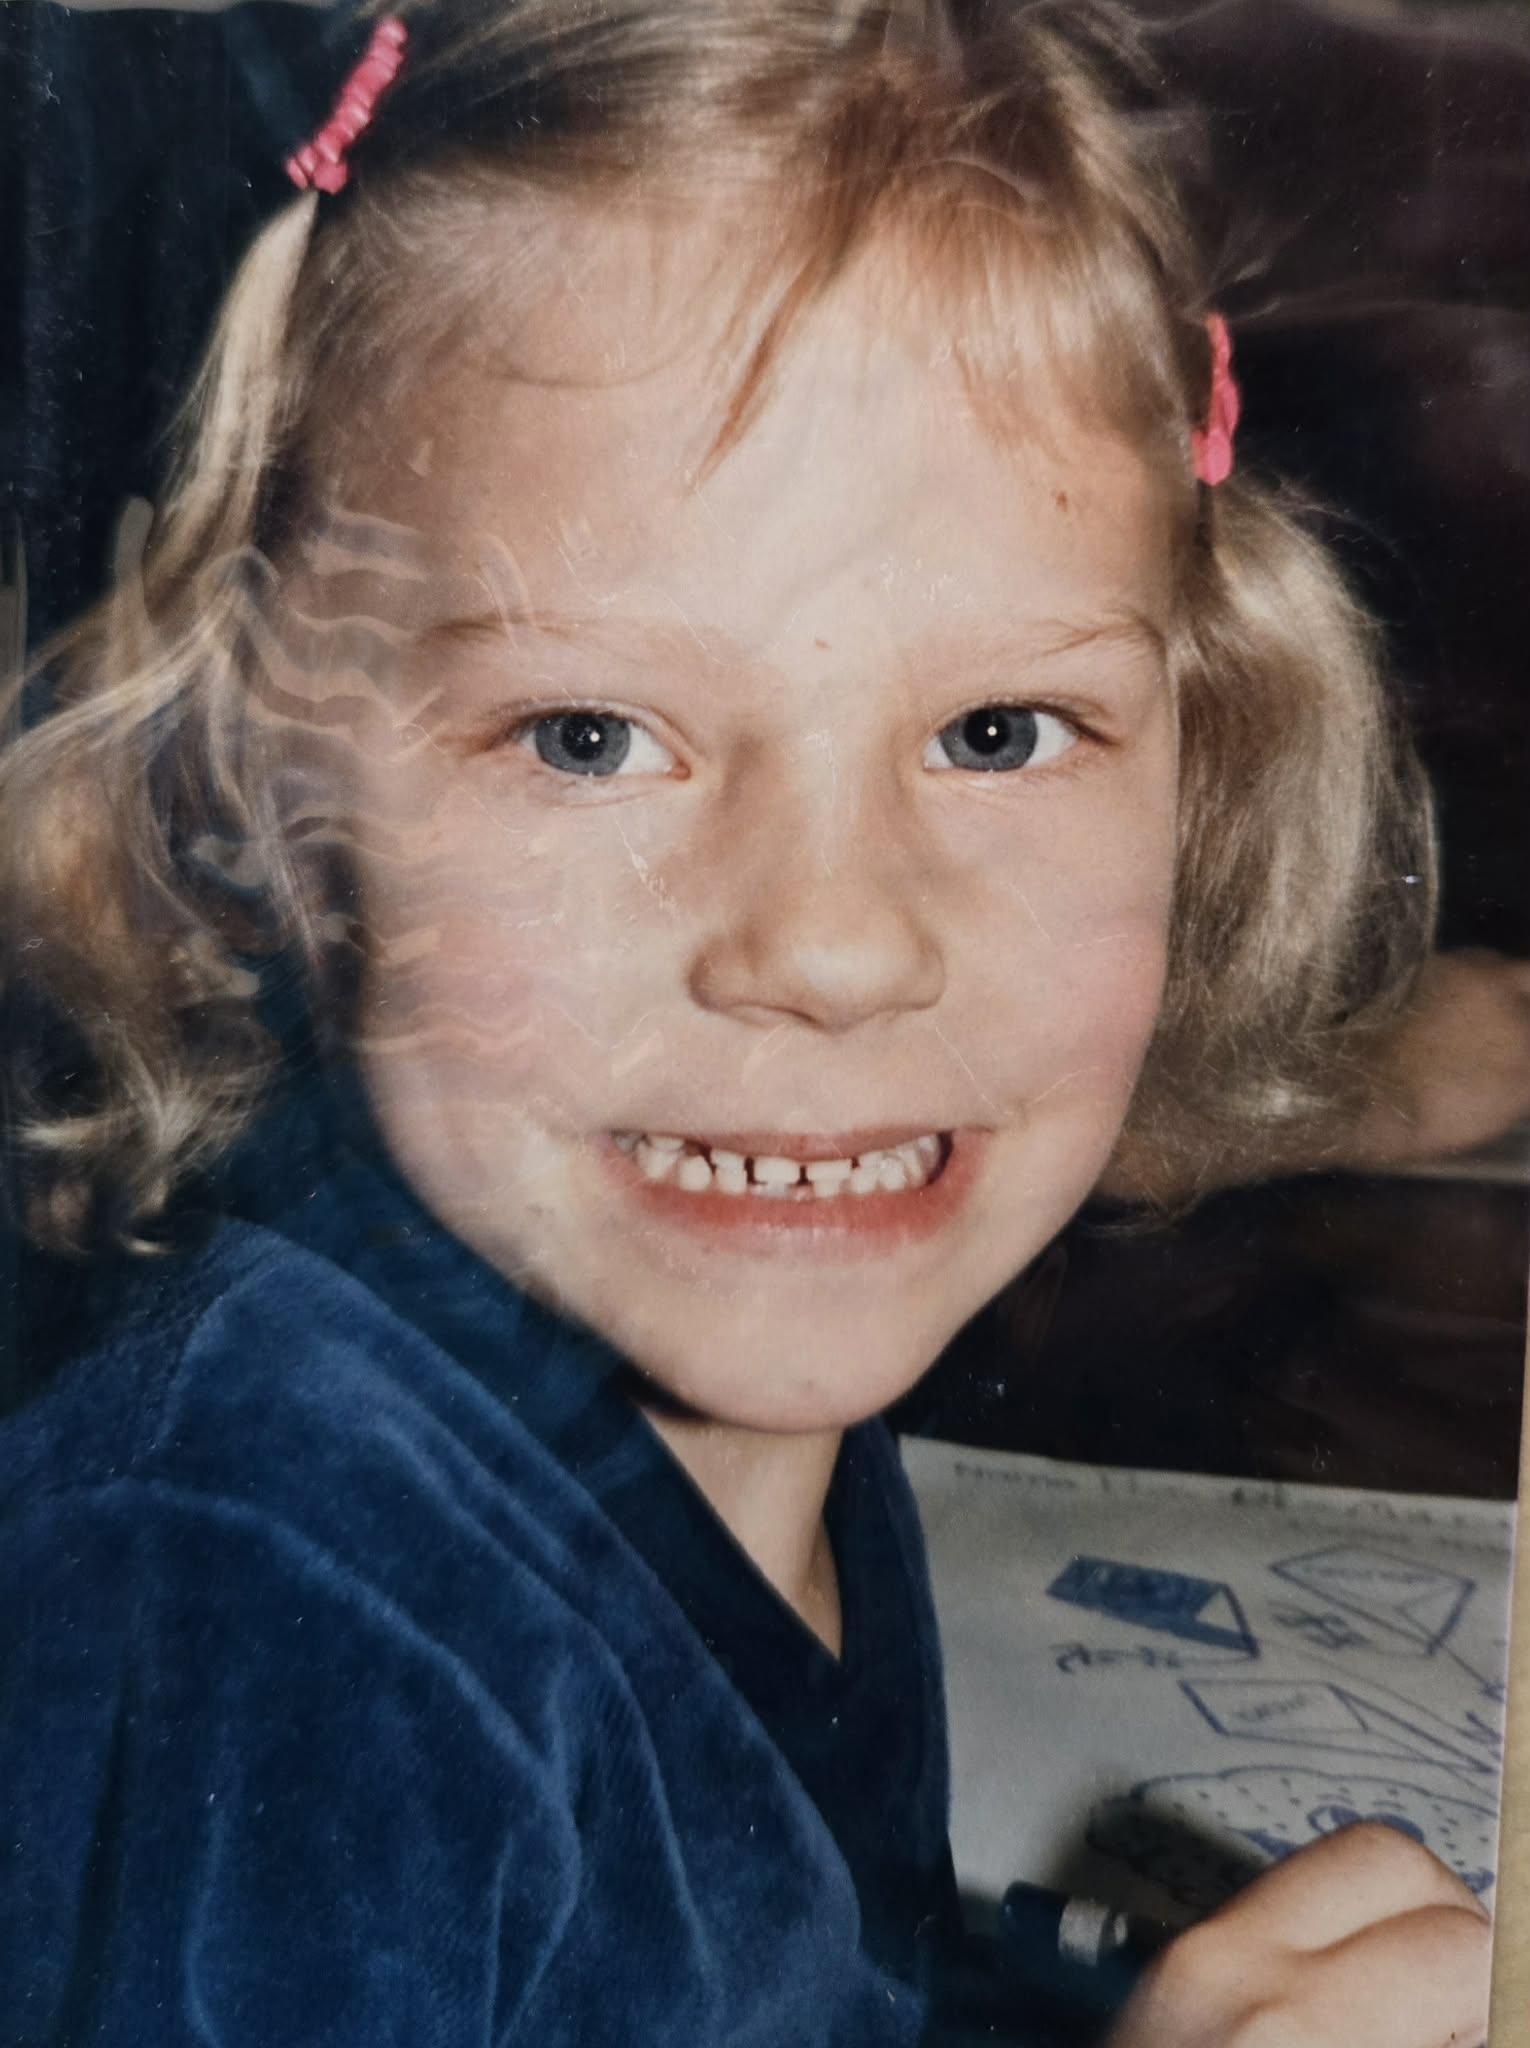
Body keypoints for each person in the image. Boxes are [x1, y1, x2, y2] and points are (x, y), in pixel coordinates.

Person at [0, 4, 1494, 2044]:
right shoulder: (253, 1623)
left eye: (998, 731)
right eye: (590, 737)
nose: (834, 946)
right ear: (274, 803)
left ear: (1204, 757)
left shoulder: (742, 1401)